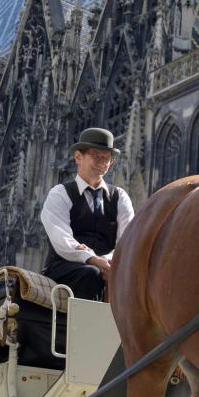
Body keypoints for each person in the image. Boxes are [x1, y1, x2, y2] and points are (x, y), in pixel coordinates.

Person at [40, 128, 134, 302]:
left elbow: (127, 238)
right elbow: (60, 236)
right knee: (91, 274)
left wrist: (106, 262)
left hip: (109, 266)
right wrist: (91, 259)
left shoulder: (119, 196)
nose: (102, 162)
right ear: (78, 157)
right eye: (96, 156)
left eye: (106, 158)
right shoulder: (60, 193)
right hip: (66, 267)